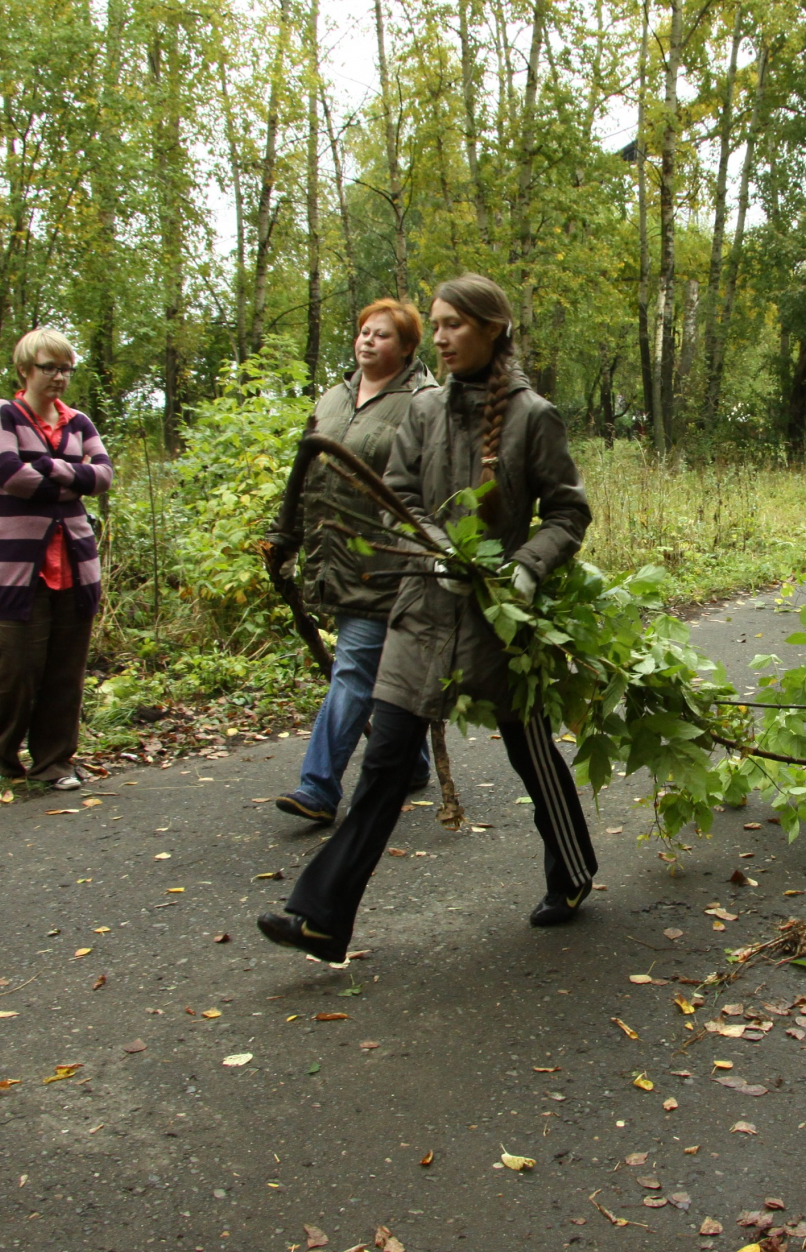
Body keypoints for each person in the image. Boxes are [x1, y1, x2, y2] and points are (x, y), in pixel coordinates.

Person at [256, 274, 597, 962]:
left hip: (500, 617)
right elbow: (400, 494)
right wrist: (434, 544)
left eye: (453, 325)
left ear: (491, 329)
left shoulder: (534, 416)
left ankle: (573, 871)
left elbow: (569, 512)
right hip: (418, 607)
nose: (438, 337)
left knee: (528, 749)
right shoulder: (426, 409)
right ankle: (323, 920)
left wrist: (526, 567)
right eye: (435, 325)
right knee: (383, 763)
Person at [263, 300, 436, 825]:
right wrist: (283, 535)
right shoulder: (334, 397)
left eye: (381, 336)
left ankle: (317, 787)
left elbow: (434, 484)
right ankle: (412, 760)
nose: (367, 342)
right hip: (332, 555)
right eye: (363, 332)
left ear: (407, 348)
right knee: (377, 668)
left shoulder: (425, 402)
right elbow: (306, 469)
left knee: (355, 667)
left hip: (388, 557)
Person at [0, 329, 114, 788]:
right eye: (49, 368)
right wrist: (74, 479)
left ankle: (53, 763)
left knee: (65, 671)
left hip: (74, 562)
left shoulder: (79, 422)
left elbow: (104, 477)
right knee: (15, 666)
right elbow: (8, 474)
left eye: (66, 369)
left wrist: (52, 468)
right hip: (16, 567)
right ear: (25, 370)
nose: (58, 377)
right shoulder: (0, 414)